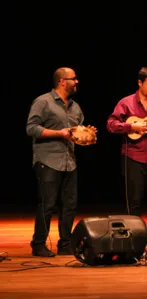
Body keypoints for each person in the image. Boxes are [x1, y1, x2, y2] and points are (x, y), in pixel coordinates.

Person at [26, 67, 97, 257]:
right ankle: (39, 244)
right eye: (74, 79)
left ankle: (65, 244)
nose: (77, 82)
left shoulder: (75, 107)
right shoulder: (43, 102)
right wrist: (59, 133)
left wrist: (86, 134)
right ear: (62, 81)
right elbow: (31, 128)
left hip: (69, 161)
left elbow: (76, 132)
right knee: (47, 204)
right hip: (48, 160)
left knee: (70, 204)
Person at [107, 67, 147, 251]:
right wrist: (131, 127)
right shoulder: (126, 103)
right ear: (140, 83)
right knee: (134, 201)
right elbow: (111, 125)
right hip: (132, 155)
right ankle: (135, 240)